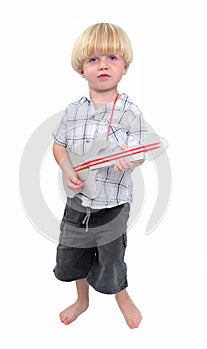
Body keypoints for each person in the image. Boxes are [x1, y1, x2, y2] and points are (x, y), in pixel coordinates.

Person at [52, 22, 146, 329]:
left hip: (113, 205)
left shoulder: (129, 112)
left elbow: (143, 147)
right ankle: (82, 300)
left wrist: (128, 158)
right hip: (77, 202)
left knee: (111, 258)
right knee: (73, 253)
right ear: (82, 70)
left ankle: (121, 296)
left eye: (112, 58)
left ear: (125, 67)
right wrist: (67, 169)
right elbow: (59, 145)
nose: (103, 64)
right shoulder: (73, 111)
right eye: (93, 59)